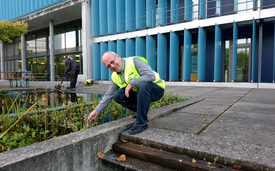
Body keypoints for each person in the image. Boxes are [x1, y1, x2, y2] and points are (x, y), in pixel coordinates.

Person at [87, 51, 165, 135]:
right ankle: (140, 112)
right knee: (117, 95)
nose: (112, 66)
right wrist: (96, 110)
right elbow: (109, 94)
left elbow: (151, 76)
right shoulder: (114, 76)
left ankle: (141, 124)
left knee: (142, 85)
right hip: (140, 93)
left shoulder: (134, 62)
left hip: (156, 89)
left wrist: (132, 83)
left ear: (118, 56)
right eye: (108, 66)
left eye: (112, 62)